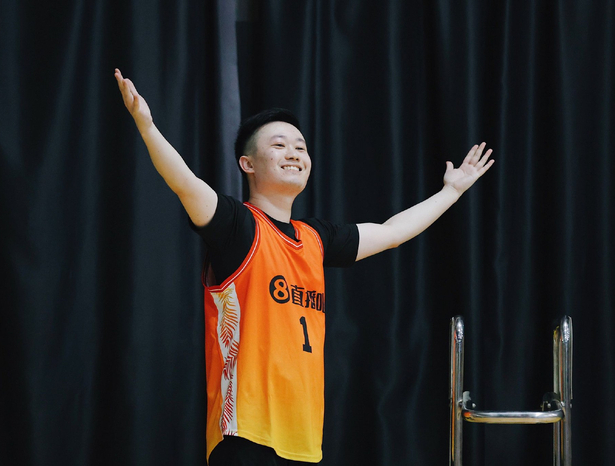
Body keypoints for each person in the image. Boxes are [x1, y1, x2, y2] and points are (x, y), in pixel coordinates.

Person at [114, 68, 494, 465]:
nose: (294, 153)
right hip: (245, 434)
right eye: (279, 145)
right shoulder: (237, 226)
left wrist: (452, 191)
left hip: (302, 440)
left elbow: (392, 232)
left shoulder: (315, 238)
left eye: (301, 146)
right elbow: (184, 183)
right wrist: (147, 126)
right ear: (247, 163)